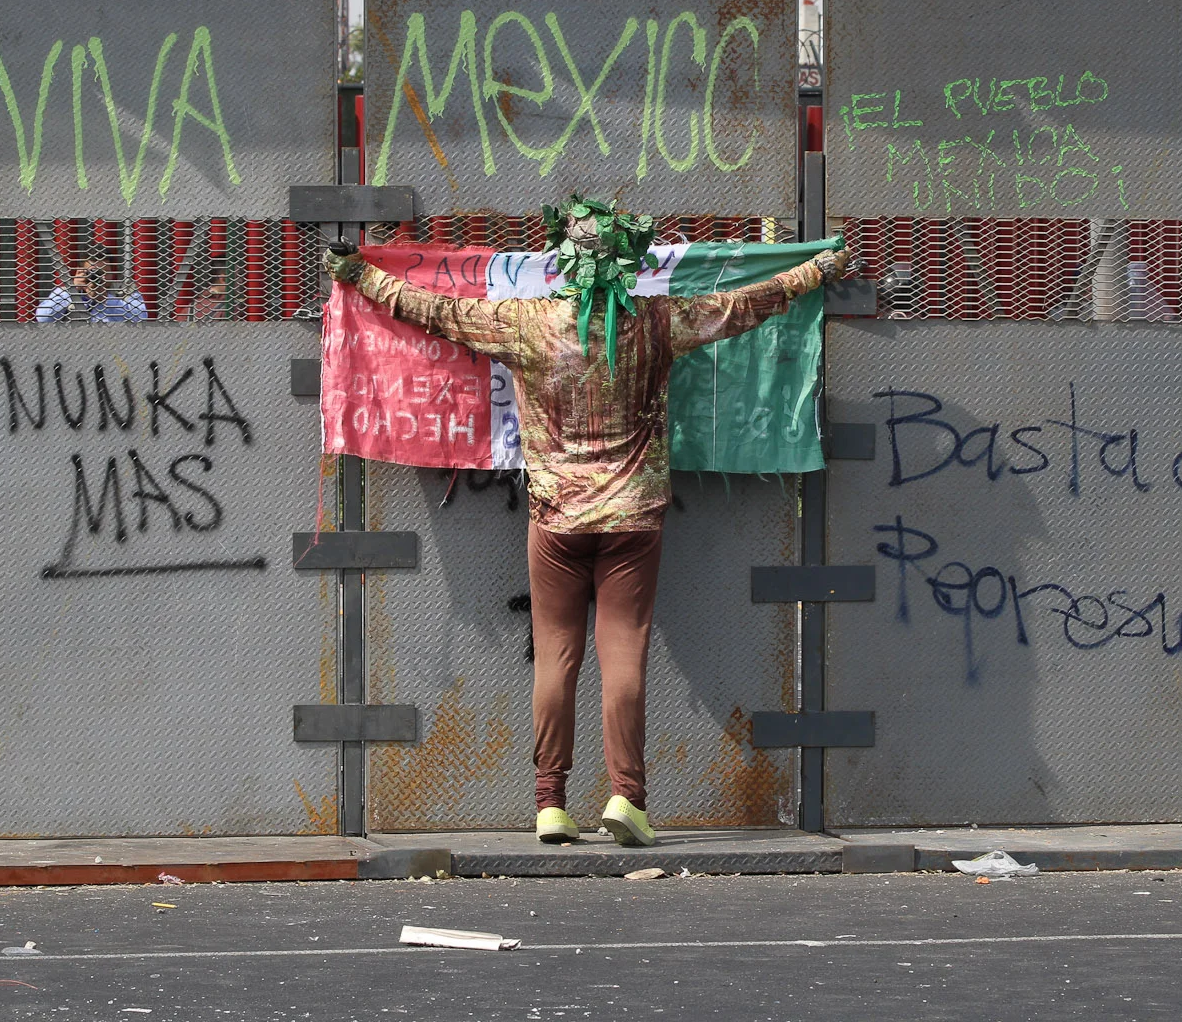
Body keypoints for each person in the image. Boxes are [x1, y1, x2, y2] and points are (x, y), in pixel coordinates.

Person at [323, 199, 852, 848]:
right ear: (626, 264)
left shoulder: (525, 325)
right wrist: (815, 269)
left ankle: (550, 802)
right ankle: (628, 799)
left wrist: (360, 275)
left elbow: (435, 310)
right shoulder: (657, 322)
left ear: (565, 263)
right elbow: (743, 305)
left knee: (556, 657)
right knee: (623, 654)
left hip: (555, 519)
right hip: (634, 516)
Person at [36, 256, 147, 323]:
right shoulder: (67, 291)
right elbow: (43, 318)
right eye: (92, 273)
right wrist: (72, 291)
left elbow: (141, 318)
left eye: (102, 273)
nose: (97, 277)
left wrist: (105, 300)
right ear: (81, 271)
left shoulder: (125, 290)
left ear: (113, 273)